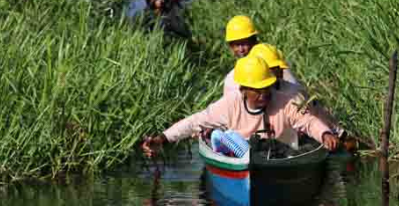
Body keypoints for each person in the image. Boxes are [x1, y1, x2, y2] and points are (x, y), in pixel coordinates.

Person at [142, 56, 341, 157]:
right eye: (257, 90)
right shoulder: (231, 104)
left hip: (280, 153)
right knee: (221, 137)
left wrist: (324, 134)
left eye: (266, 88)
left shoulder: (284, 102)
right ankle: (225, 144)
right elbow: (195, 121)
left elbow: (308, 122)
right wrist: (163, 138)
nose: (264, 94)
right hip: (241, 153)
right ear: (244, 89)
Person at [248, 43, 347, 140]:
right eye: (273, 69)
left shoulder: (292, 94)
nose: (280, 72)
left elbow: (312, 119)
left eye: (278, 68)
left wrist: (336, 133)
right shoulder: (241, 93)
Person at [222, 16, 298, 95]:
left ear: (254, 41)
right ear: (231, 47)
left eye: (244, 43)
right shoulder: (232, 80)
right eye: (237, 45)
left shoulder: (274, 65)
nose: (241, 50)